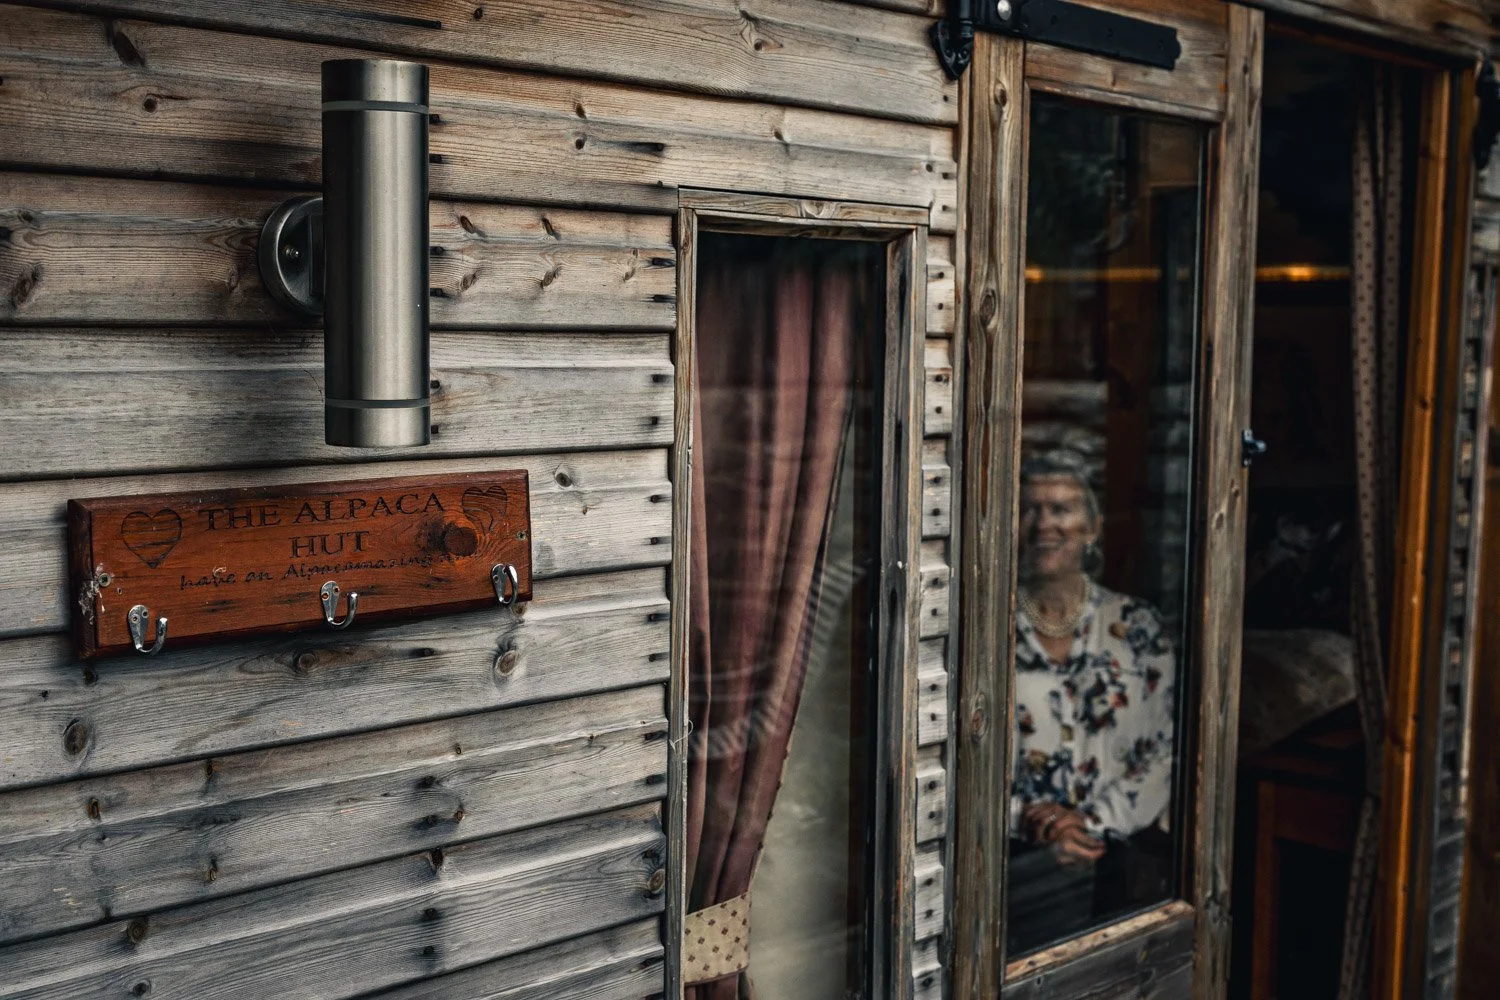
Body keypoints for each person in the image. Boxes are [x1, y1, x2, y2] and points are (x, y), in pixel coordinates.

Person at [1006, 448, 1177, 952]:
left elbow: (1166, 751)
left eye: (1062, 509)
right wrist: (1026, 819)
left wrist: (1088, 827)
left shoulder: (1136, 627)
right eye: (1029, 509)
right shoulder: (984, 627)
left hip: (1120, 865)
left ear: (1092, 526)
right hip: (1005, 866)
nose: (1044, 525)